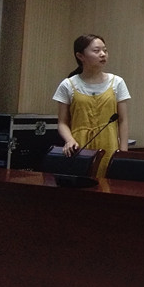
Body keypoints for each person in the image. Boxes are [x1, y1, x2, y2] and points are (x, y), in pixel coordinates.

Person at [52, 34, 130, 179]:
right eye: (96, 51)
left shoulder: (117, 82)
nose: (103, 54)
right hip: (79, 148)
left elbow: (123, 120)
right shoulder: (68, 85)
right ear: (80, 56)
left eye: (105, 50)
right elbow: (62, 122)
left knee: (107, 186)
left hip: (109, 146)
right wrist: (69, 140)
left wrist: (123, 153)